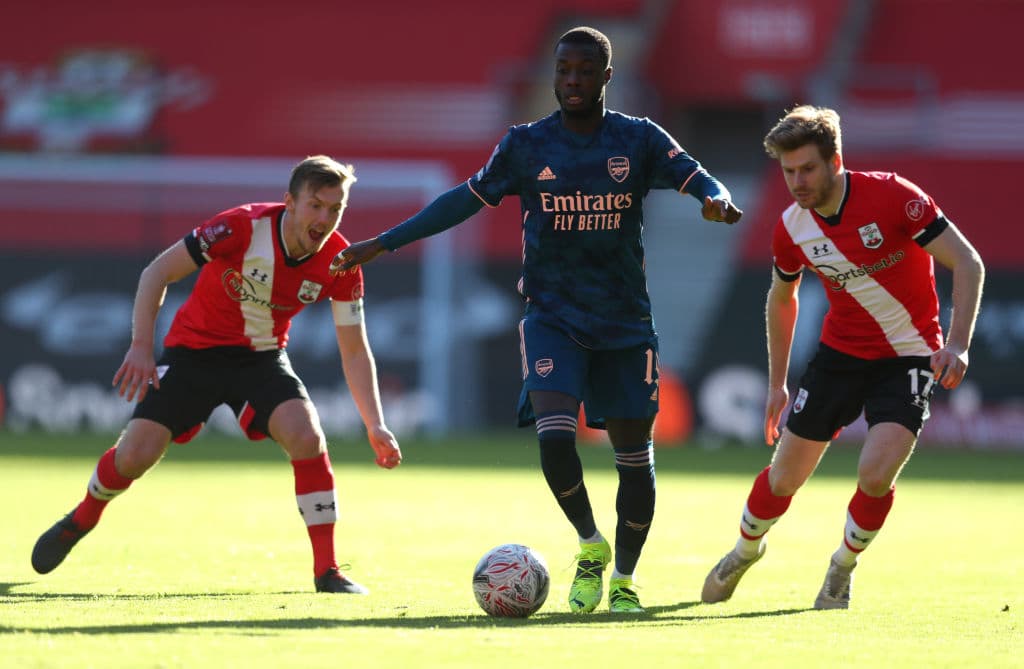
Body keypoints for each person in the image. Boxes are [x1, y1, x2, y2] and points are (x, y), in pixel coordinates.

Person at [331, 26, 742, 614]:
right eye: (562, 70)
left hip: (624, 322)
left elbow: (700, 175)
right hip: (552, 314)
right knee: (554, 439)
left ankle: (623, 578)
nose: (570, 81)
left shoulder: (637, 138)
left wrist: (716, 199)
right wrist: (386, 241)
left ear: (606, 77)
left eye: (583, 71)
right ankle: (590, 545)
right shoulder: (526, 145)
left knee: (633, 457)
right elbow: (464, 199)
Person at [31, 155, 402, 594]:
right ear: (290, 203)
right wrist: (140, 347)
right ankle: (83, 518)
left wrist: (374, 423)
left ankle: (328, 571)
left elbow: (355, 351)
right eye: (315, 206)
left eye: (335, 209)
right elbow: (157, 273)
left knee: (306, 435)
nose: (324, 219)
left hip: (261, 358)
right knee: (134, 456)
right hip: (194, 354)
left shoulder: (342, 262)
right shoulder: (239, 227)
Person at [701, 105, 985, 609]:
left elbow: (967, 261)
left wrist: (958, 342)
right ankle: (745, 551)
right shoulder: (791, 228)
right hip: (840, 356)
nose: (797, 182)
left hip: (910, 355)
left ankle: (842, 567)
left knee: (876, 475)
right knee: (784, 477)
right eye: (788, 172)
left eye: (807, 168)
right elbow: (782, 298)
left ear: (835, 160)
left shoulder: (895, 197)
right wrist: (777, 383)